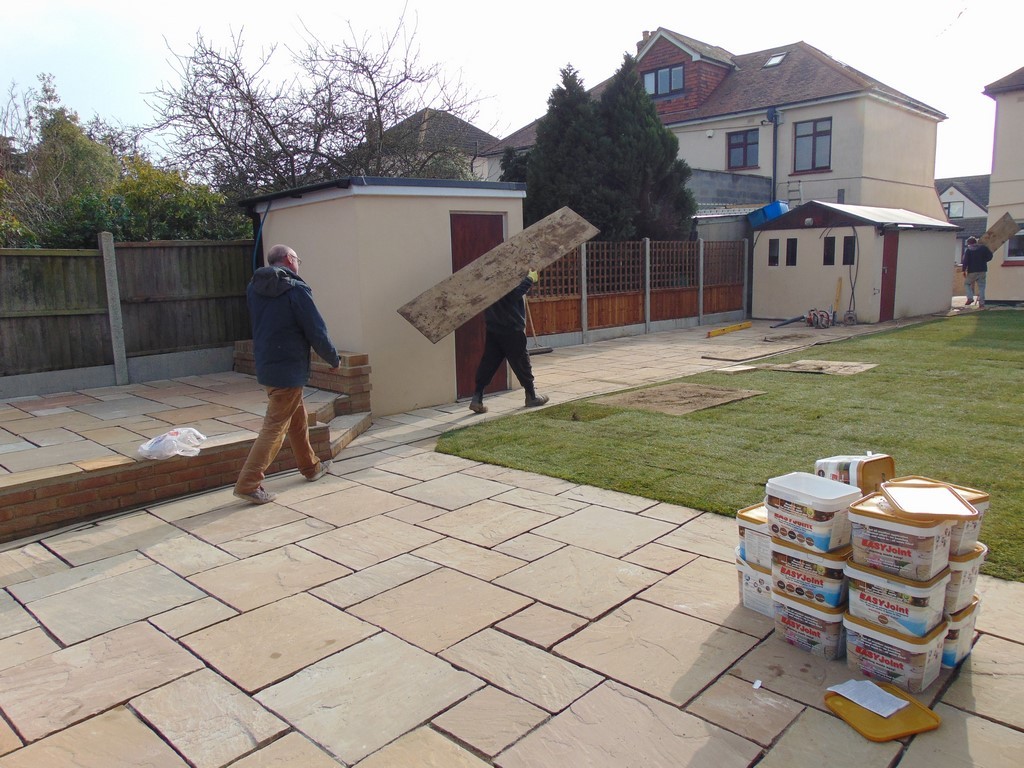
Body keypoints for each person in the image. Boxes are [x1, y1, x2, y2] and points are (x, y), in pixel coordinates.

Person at [234, 244, 341, 504]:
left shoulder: (254, 288)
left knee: (298, 419)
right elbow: (316, 329)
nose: (299, 264)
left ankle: (311, 467)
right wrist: (332, 358)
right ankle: (249, 483)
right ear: (290, 259)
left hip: (268, 364)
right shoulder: (295, 289)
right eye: (298, 259)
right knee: (274, 427)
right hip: (289, 367)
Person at [469, 269, 549, 414]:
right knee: (521, 362)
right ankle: (531, 396)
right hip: (511, 327)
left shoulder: (487, 276)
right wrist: (529, 279)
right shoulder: (505, 273)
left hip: (493, 327)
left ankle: (477, 398)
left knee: (489, 362)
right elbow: (513, 295)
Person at [962, 236, 994, 308]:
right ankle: (982, 303)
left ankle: (970, 298)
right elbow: (990, 256)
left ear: (969, 243)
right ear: (976, 242)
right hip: (982, 270)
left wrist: (963, 270)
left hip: (972, 271)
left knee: (967, 284)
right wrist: (984, 260)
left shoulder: (969, 250)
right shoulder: (983, 248)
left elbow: (965, 261)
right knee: (981, 287)